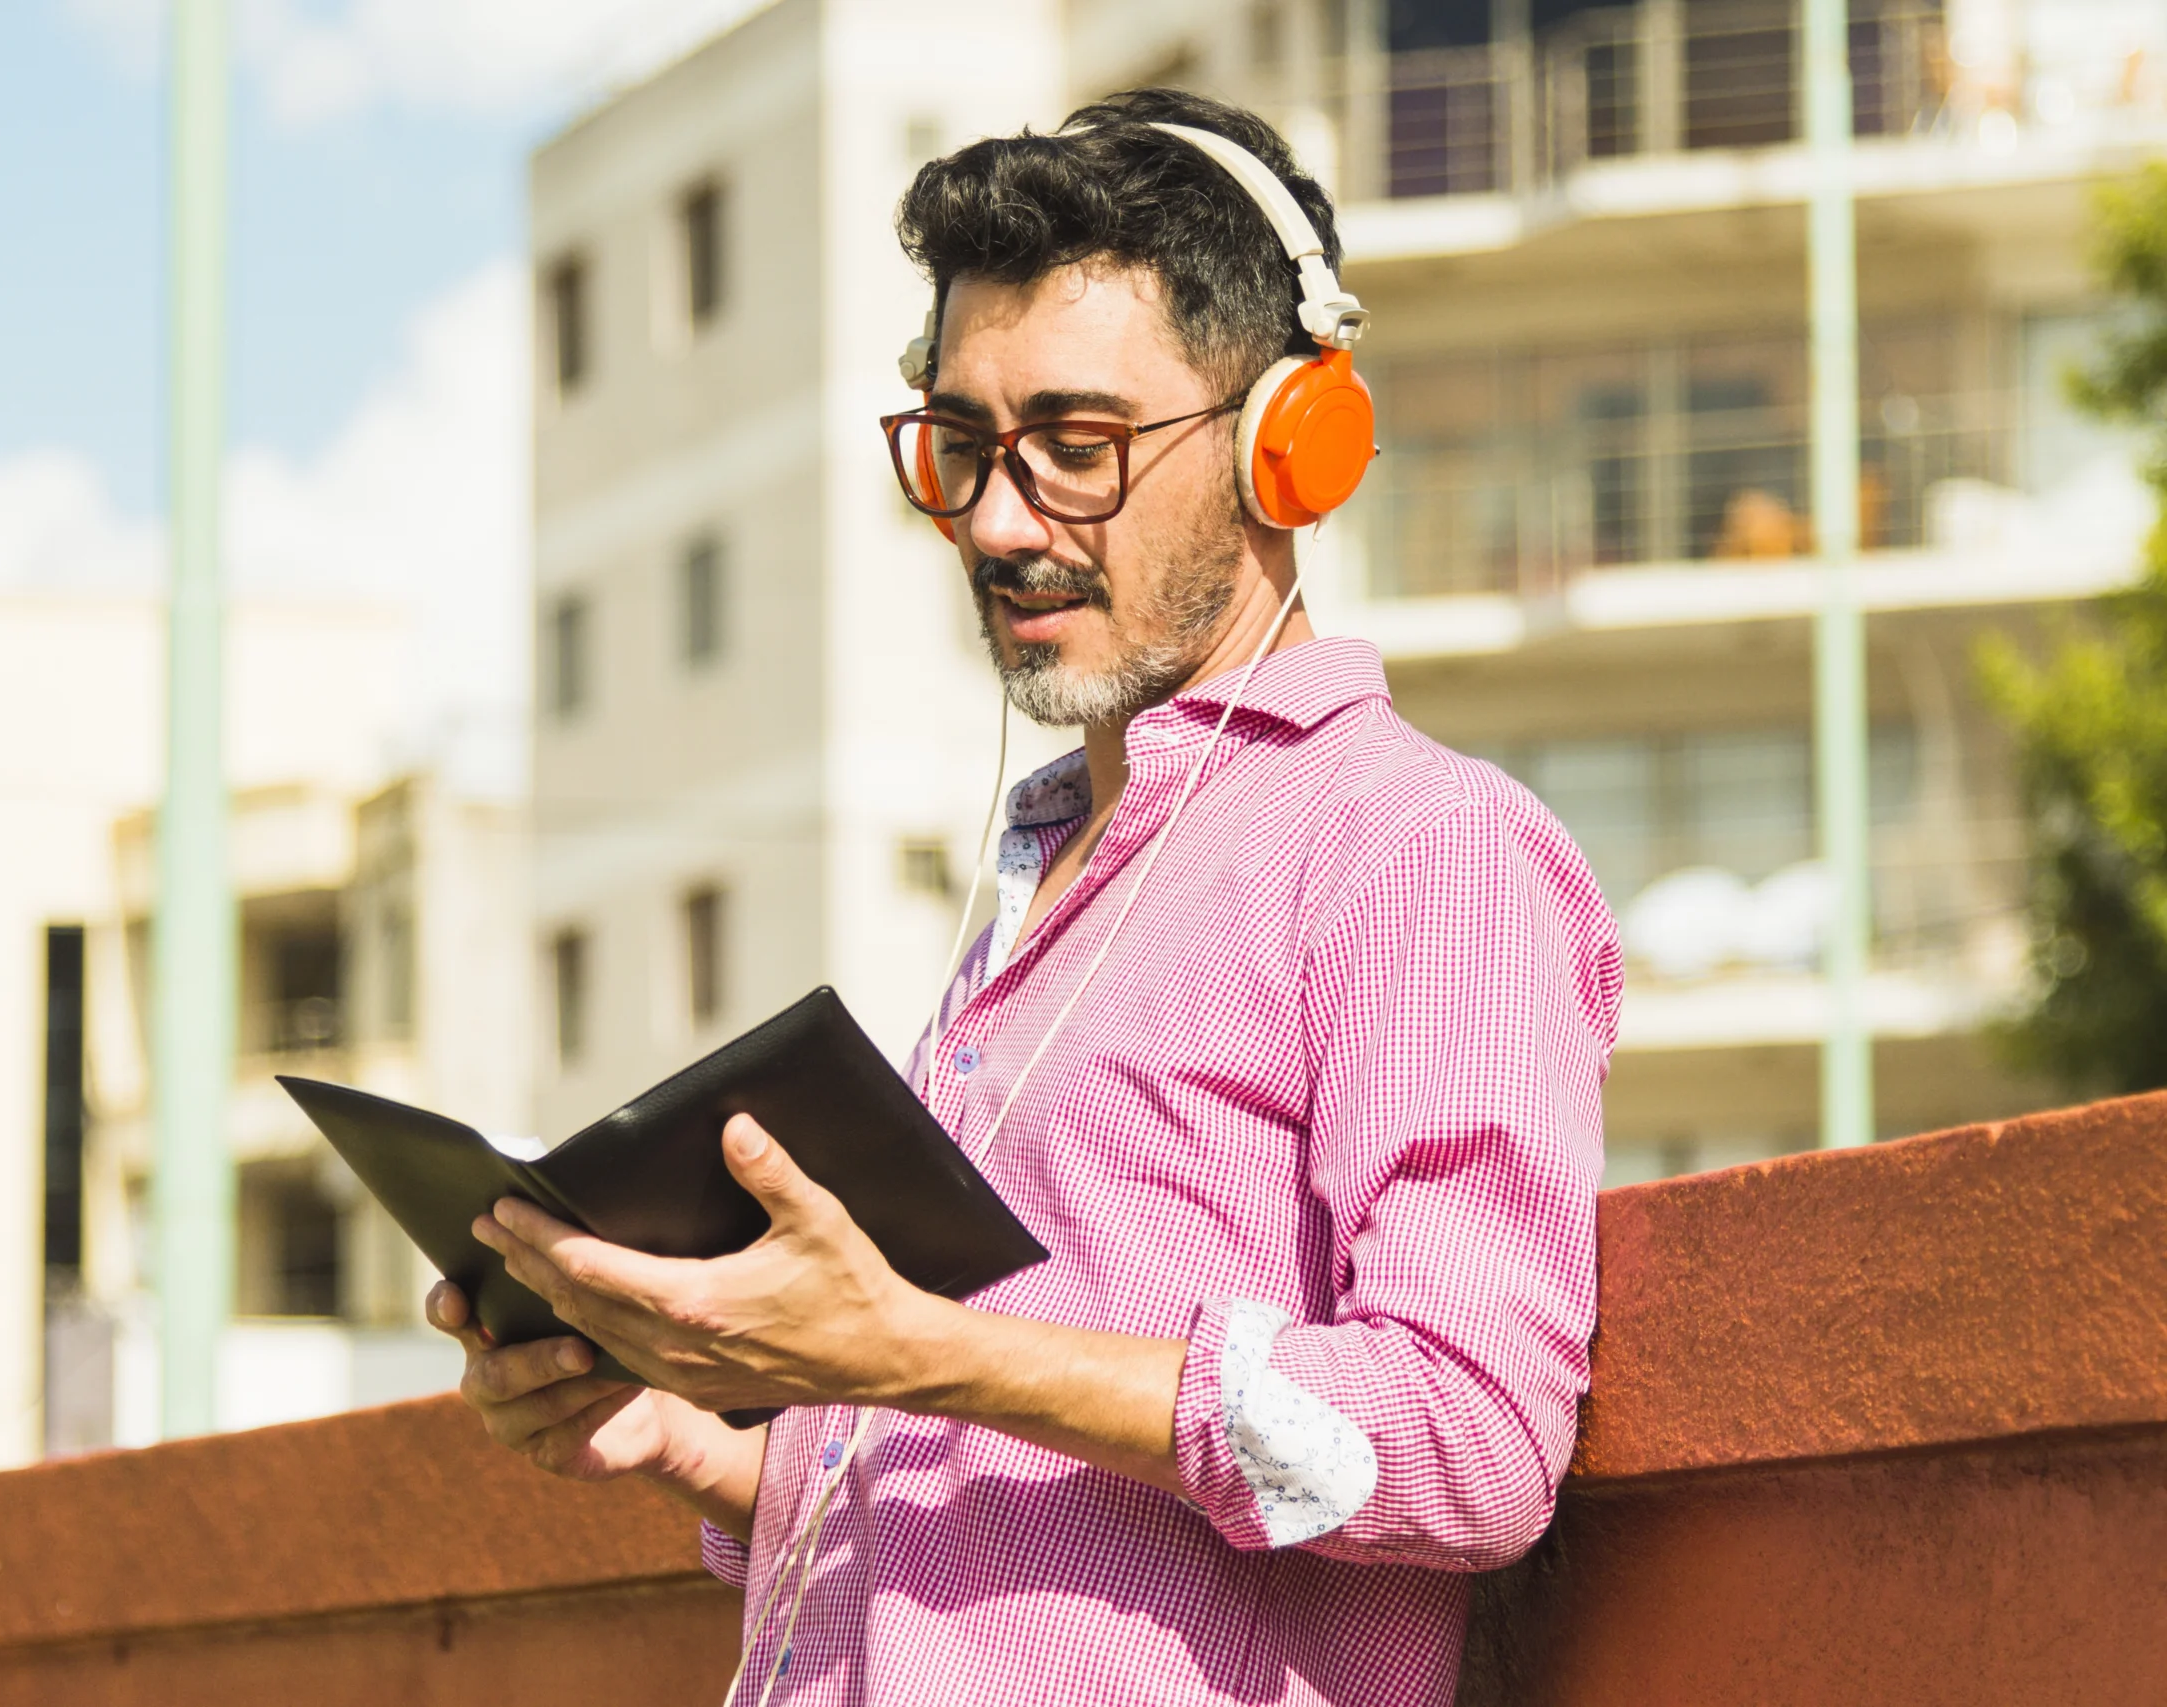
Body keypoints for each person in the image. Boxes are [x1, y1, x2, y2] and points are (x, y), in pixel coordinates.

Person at [429, 87, 1621, 1707]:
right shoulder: (1054, 873)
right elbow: (1009, 1510)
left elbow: (1469, 1442)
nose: (998, 520)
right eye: (964, 446)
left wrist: (915, 1347)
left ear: (1290, 441)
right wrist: (696, 1433)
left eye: (1076, 446)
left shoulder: (1421, 848)